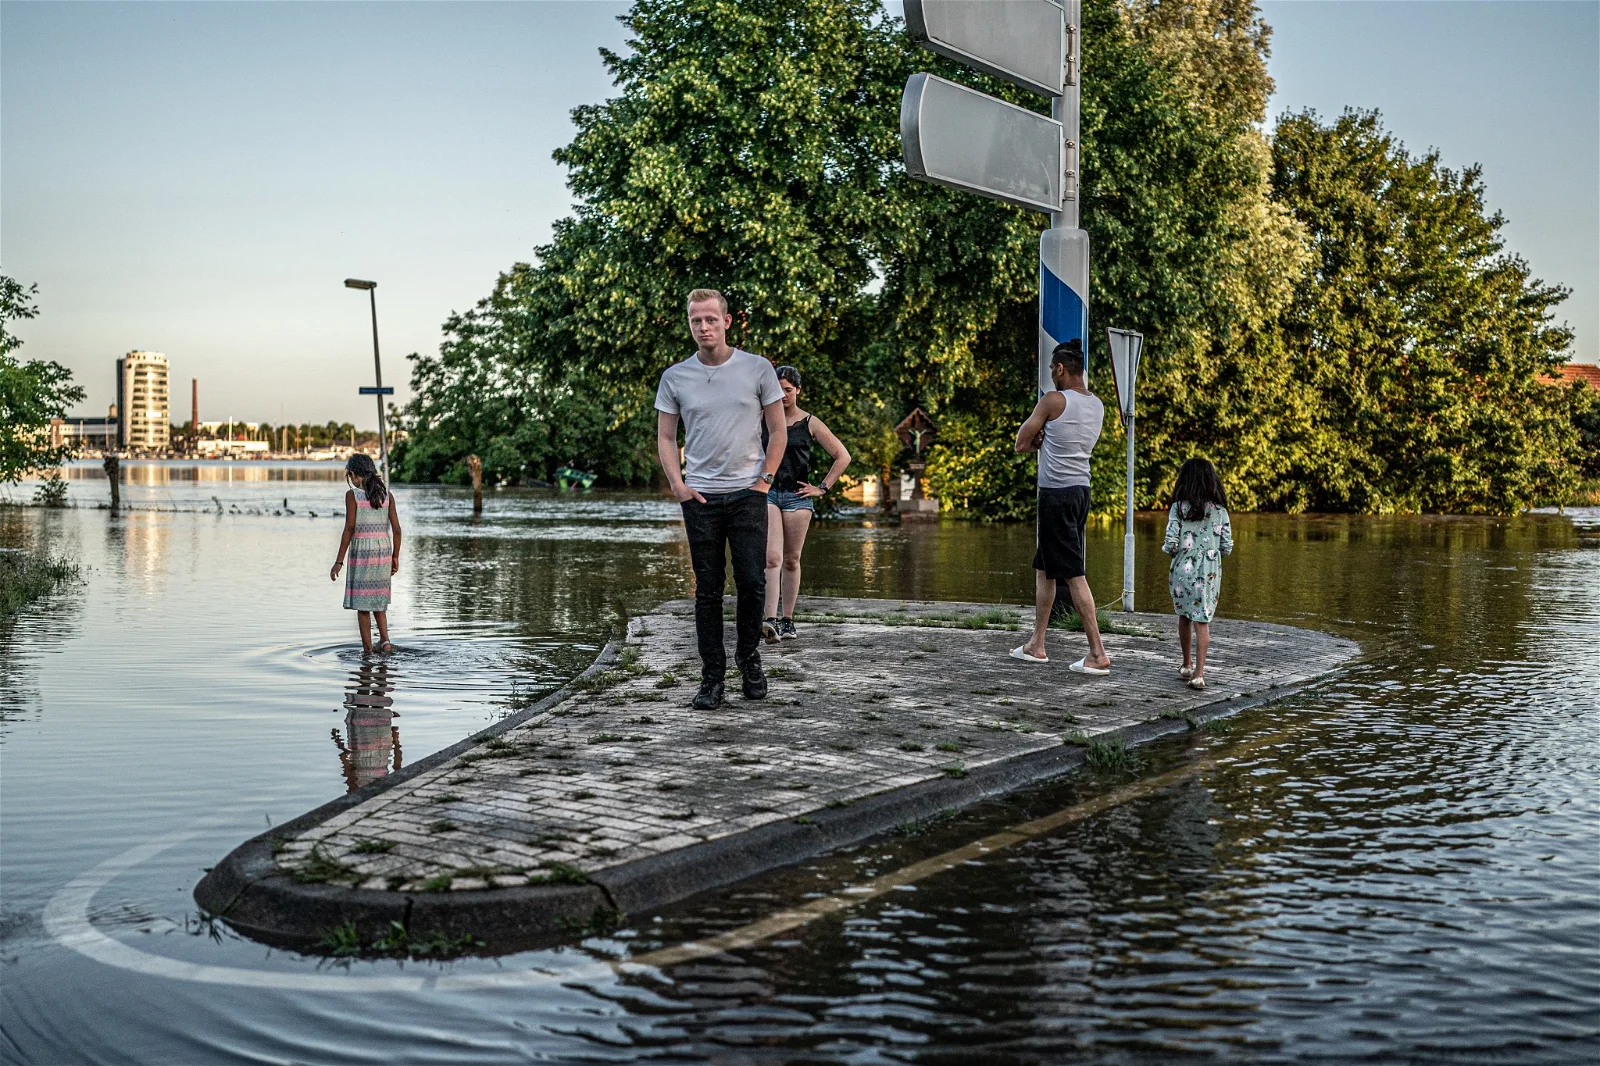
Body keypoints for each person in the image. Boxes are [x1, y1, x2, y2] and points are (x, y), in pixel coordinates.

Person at [656, 288, 787, 710]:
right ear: (690, 324)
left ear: (727, 321)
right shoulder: (676, 377)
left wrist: (765, 481)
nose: (703, 327)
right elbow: (665, 435)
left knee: (752, 583)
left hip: (749, 493)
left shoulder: (757, 368)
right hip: (701, 498)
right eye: (696, 320)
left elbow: (778, 430)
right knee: (708, 590)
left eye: (711, 319)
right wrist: (678, 486)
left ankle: (749, 660)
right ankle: (711, 678)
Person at [1010, 338, 1111, 674]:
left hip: (1056, 495)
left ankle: (1097, 653)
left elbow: (1021, 442)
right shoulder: (1097, 404)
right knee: (1045, 567)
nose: (1052, 375)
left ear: (1061, 369)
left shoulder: (1053, 400)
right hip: (1081, 489)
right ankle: (1036, 644)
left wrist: (1038, 439)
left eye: (1053, 370)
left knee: (1073, 574)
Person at [760, 366, 851, 643]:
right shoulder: (761, 418)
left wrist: (822, 487)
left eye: (788, 390)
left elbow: (842, 456)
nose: (783, 395)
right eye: (778, 390)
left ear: (798, 390)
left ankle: (788, 620)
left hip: (798, 496)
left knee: (791, 559)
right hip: (768, 494)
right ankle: (770, 620)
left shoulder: (809, 422)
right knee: (771, 558)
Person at [1162, 456, 1233, 690]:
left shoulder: (1179, 508)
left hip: (1184, 568)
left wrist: (1172, 551)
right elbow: (1227, 546)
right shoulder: (1220, 511)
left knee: (1184, 615)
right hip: (1211, 572)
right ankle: (1200, 675)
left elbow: (1171, 542)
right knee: (1202, 620)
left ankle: (1186, 664)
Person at [330, 453, 402, 654]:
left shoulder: (352, 496)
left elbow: (350, 528)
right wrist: (395, 556)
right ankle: (385, 642)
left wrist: (338, 561)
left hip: (362, 552)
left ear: (353, 475)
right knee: (379, 601)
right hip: (384, 550)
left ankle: (368, 651)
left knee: (363, 605)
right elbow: (396, 530)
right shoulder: (387, 496)